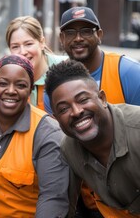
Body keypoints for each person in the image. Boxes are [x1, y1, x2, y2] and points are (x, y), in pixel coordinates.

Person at [0, 54, 69, 217]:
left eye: (20, 85)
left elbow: (53, 198)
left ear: (31, 89)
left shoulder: (47, 134)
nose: (10, 91)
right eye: (3, 83)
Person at [45, 59, 140, 217]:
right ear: (56, 119)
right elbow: (62, 203)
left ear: (102, 98)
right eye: (63, 109)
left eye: (83, 100)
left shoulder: (136, 129)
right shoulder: (68, 149)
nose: (76, 111)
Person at [44, 6, 140, 113]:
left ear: (99, 35)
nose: (78, 38)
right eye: (70, 33)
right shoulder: (55, 81)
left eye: (86, 31)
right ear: (62, 38)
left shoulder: (129, 72)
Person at [6, 16, 67, 110]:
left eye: (28, 44)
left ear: (42, 42)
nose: (22, 52)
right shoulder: (7, 77)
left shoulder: (66, 68)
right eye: (15, 47)